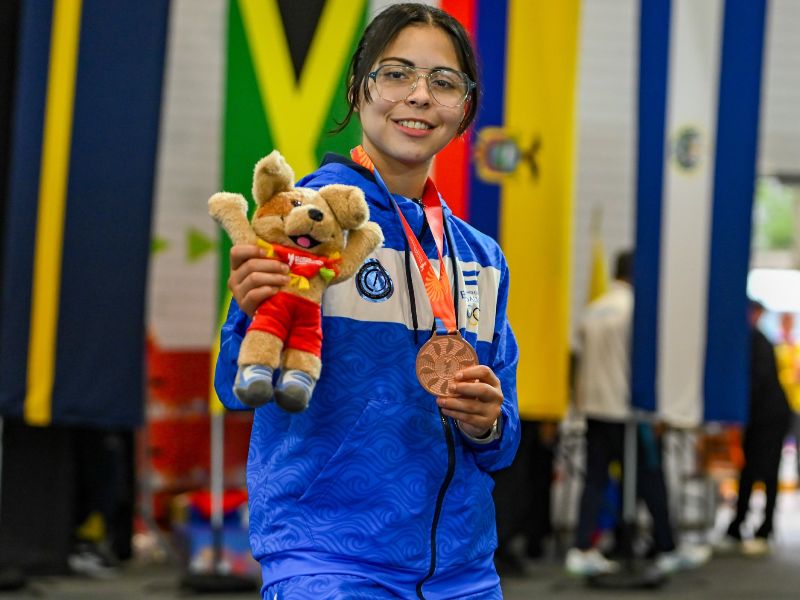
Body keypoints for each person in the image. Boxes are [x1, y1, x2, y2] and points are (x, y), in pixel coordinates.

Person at [215, 4, 520, 599]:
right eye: (396, 73)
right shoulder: (302, 222)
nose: (419, 96)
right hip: (328, 559)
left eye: (443, 81)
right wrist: (250, 316)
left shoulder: (481, 257)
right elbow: (234, 387)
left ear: (464, 109)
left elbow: (503, 442)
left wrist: (489, 424)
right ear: (359, 89)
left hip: (464, 571)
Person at [565, 251, 709, 577]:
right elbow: (646, 365)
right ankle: (667, 547)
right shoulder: (637, 311)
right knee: (650, 476)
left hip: (594, 408)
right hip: (627, 411)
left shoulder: (593, 309)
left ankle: (582, 548)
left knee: (596, 480)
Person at [722, 300, 791, 556]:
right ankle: (737, 525)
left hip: (770, 416)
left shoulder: (758, 341)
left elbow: (757, 383)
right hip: (756, 416)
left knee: (768, 470)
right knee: (748, 470)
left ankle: (765, 528)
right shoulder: (748, 340)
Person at [775, 312, 800, 479]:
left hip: (797, 403)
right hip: (779, 403)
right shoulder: (776, 346)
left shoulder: (796, 346)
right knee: (775, 445)